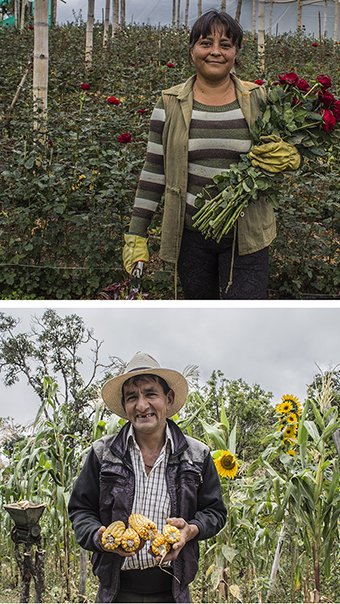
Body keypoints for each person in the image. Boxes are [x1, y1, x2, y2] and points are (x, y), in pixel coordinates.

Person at [122, 9, 272, 299]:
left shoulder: (258, 100)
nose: (215, 52)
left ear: (235, 52)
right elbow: (154, 172)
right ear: (192, 50)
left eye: (225, 45)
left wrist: (287, 158)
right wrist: (136, 234)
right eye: (206, 43)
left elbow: (278, 155)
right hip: (192, 236)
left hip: (247, 236)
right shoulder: (170, 103)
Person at [68, 352, 227, 602]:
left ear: (169, 399)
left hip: (172, 590)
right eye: (132, 397)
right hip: (117, 591)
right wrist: (101, 537)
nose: (142, 406)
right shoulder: (103, 453)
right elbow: (80, 510)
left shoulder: (197, 455)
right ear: (125, 406)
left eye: (151, 394)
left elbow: (215, 512)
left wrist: (191, 531)